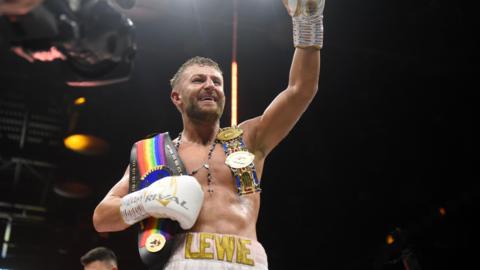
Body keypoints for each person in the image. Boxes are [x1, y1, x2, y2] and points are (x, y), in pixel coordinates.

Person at [93, 0, 325, 269]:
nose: (210, 86)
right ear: (176, 97)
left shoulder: (249, 139)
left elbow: (301, 90)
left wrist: (308, 21)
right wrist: (149, 200)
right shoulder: (153, 153)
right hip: (184, 260)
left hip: (246, 261)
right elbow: (102, 217)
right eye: (198, 80)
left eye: (216, 81)